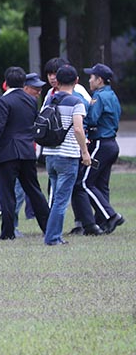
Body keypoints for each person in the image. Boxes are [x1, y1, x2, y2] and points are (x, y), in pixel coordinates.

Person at [0, 67, 50, 240]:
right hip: (27, 151)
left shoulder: (4, 101)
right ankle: (49, 227)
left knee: (7, 193)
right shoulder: (31, 101)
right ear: (23, 82)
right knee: (34, 191)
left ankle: (8, 232)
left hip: (7, 153)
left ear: (6, 81)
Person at [70, 63, 125, 235]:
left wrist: (79, 118)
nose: (89, 80)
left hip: (100, 144)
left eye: (92, 77)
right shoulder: (112, 95)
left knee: (84, 182)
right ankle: (103, 223)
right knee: (101, 185)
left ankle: (111, 215)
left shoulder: (98, 97)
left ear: (99, 80)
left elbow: (92, 119)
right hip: (112, 144)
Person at [41, 65, 91, 246]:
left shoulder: (49, 100)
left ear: (58, 81)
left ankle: (53, 234)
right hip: (68, 155)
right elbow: (78, 128)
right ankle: (52, 237)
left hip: (50, 154)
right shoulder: (75, 102)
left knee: (55, 197)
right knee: (61, 201)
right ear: (77, 81)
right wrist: (84, 152)